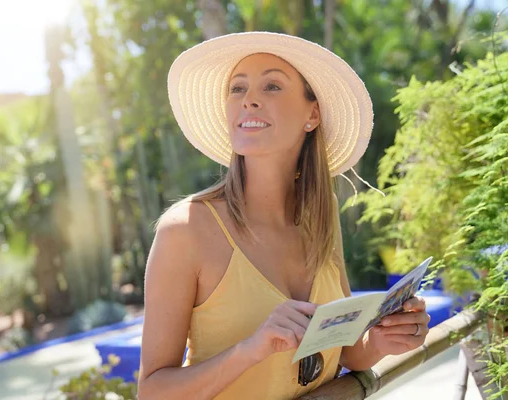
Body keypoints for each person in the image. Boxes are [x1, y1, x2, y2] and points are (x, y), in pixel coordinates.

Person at [137, 32, 430, 400]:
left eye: (272, 86)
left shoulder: (321, 223)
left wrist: (384, 339)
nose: (250, 100)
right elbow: (152, 391)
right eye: (237, 89)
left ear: (312, 114)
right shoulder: (187, 230)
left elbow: (347, 351)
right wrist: (250, 350)